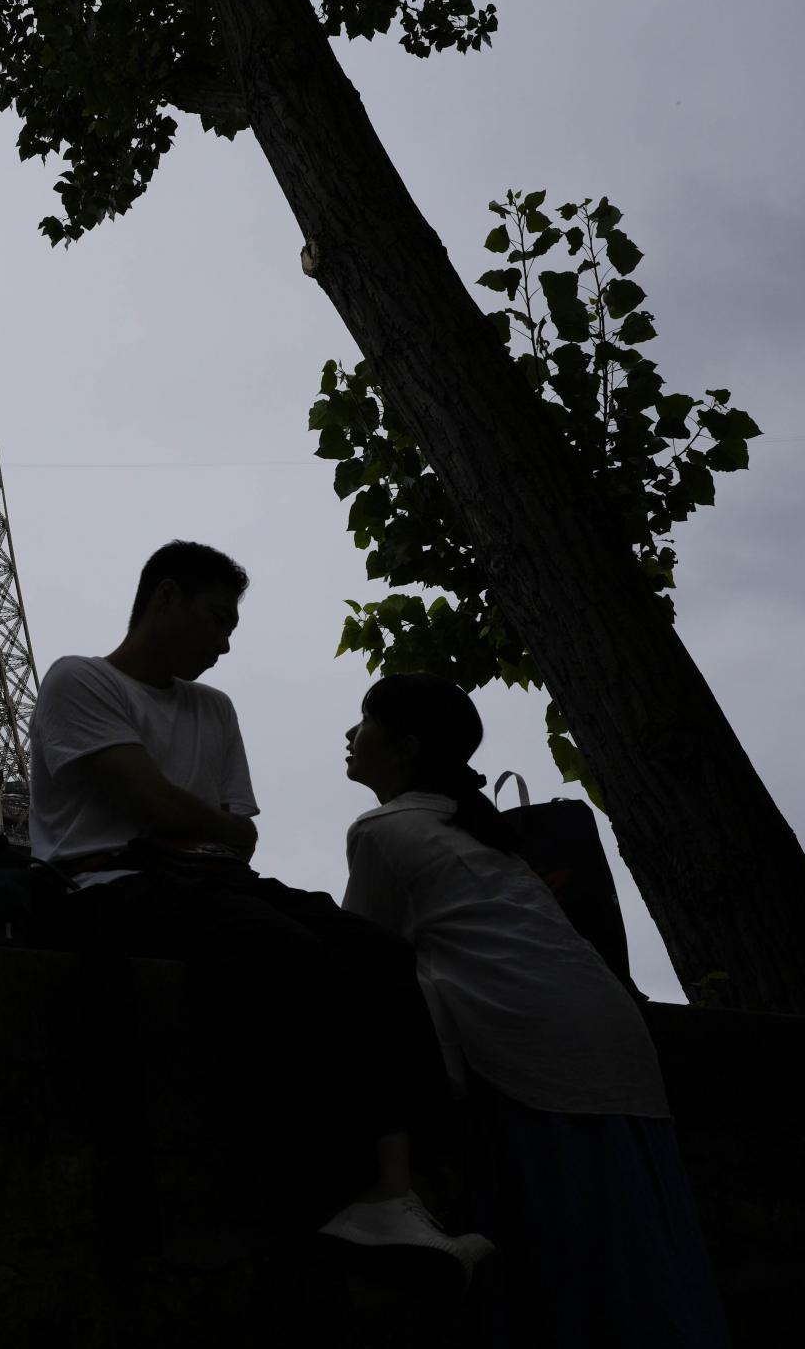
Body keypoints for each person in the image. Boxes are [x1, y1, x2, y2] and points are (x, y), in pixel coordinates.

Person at [30, 541, 489, 1268]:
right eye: (217, 620)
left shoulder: (214, 708)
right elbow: (155, 804)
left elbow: (228, 834)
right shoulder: (79, 680)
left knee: (378, 955)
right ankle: (324, 1191)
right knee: (281, 953)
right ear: (167, 596)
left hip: (207, 878)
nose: (225, 643)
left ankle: (393, 1194)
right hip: (110, 882)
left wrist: (201, 826)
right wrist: (205, 825)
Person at [340, 673, 732, 1349]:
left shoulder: (383, 830)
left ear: (402, 747)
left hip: (528, 1051)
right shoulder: (487, 839)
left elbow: (360, 959)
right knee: (648, 1263)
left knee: (572, 1272)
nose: (351, 734)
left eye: (364, 720)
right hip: (612, 1042)